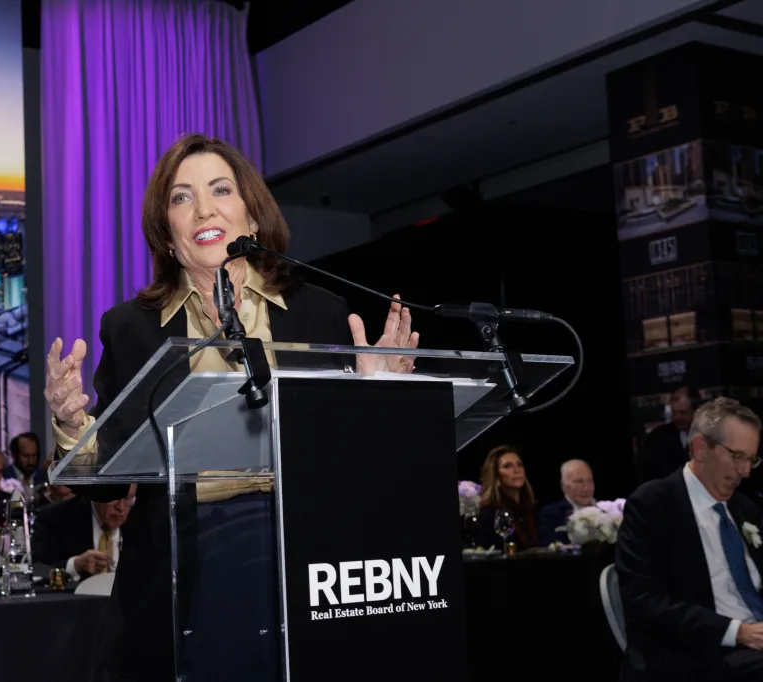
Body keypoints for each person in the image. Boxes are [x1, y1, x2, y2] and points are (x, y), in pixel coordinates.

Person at [45, 133, 418, 682]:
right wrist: (71, 421)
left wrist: (379, 401)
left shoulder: (321, 313)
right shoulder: (131, 328)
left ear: (254, 216)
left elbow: (357, 467)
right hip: (182, 581)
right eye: (180, 197)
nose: (203, 208)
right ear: (169, 236)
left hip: (307, 567)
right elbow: (107, 485)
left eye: (221, 189)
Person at [616, 397, 763, 680]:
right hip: (698, 653)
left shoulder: (745, 508)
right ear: (699, 448)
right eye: (737, 456)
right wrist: (739, 633)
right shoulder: (653, 505)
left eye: (751, 459)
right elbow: (644, 601)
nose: (745, 472)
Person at [475, 445, 539, 550]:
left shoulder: (532, 509)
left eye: (519, 465)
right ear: (496, 477)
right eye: (507, 466)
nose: (516, 470)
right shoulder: (490, 514)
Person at [538, 459, 595, 545]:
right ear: (563, 485)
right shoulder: (550, 513)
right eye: (579, 482)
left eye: (589, 481)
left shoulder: (605, 510)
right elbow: (548, 544)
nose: (586, 488)